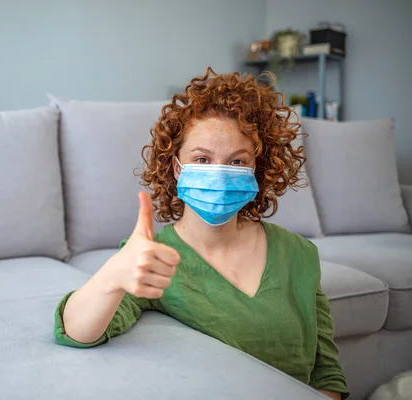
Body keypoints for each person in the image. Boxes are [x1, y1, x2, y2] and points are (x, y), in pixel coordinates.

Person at [53, 68, 349, 400]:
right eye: (202, 159)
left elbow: (328, 374)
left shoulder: (299, 253)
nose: (219, 174)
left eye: (237, 162)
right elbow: (77, 332)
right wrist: (112, 275)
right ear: (177, 167)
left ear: (257, 168)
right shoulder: (152, 258)